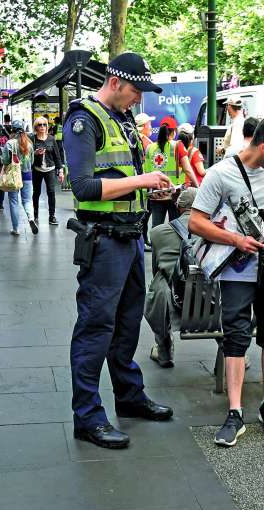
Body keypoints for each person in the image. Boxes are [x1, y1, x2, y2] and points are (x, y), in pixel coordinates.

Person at [64, 51, 175, 449]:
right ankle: (88, 417)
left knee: (128, 323)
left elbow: (124, 178)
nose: (138, 99)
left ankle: (129, 397)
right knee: (96, 328)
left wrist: (151, 187)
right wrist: (142, 181)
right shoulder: (83, 119)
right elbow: (84, 187)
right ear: (114, 82)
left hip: (130, 239)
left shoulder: (123, 119)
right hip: (104, 241)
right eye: (135, 91)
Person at [189, 114, 264, 447]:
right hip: (237, 267)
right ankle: (234, 412)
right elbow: (196, 223)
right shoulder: (220, 174)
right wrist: (235, 240)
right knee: (236, 337)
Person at [144, 188, 196, 367]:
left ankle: (164, 350)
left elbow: (155, 268)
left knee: (159, 283)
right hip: (210, 304)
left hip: (173, 302)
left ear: (178, 207)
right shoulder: (216, 230)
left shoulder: (157, 233)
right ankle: (234, 353)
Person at [143, 117, 200, 228]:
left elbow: (146, 171)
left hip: (156, 195)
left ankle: (156, 245)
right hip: (174, 194)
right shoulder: (178, 146)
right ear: (174, 132)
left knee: (156, 227)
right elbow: (187, 169)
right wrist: (197, 187)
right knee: (176, 227)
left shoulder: (150, 148)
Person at [4, 120, 36, 235]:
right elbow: (32, 161)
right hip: (27, 175)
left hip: (14, 176)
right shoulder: (29, 143)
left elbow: (5, 160)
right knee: (27, 200)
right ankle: (31, 218)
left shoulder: (9, 143)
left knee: (13, 201)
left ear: (12, 130)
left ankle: (16, 228)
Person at [31, 116, 64, 225]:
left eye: (44, 124)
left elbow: (57, 156)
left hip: (50, 168)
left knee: (51, 192)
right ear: (36, 127)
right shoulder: (33, 139)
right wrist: (35, 153)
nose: (42, 127)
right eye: (40, 125)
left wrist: (60, 170)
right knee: (36, 193)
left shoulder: (51, 139)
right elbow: (27, 155)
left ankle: (52, 216)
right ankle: (35, 215)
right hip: (37, 169)